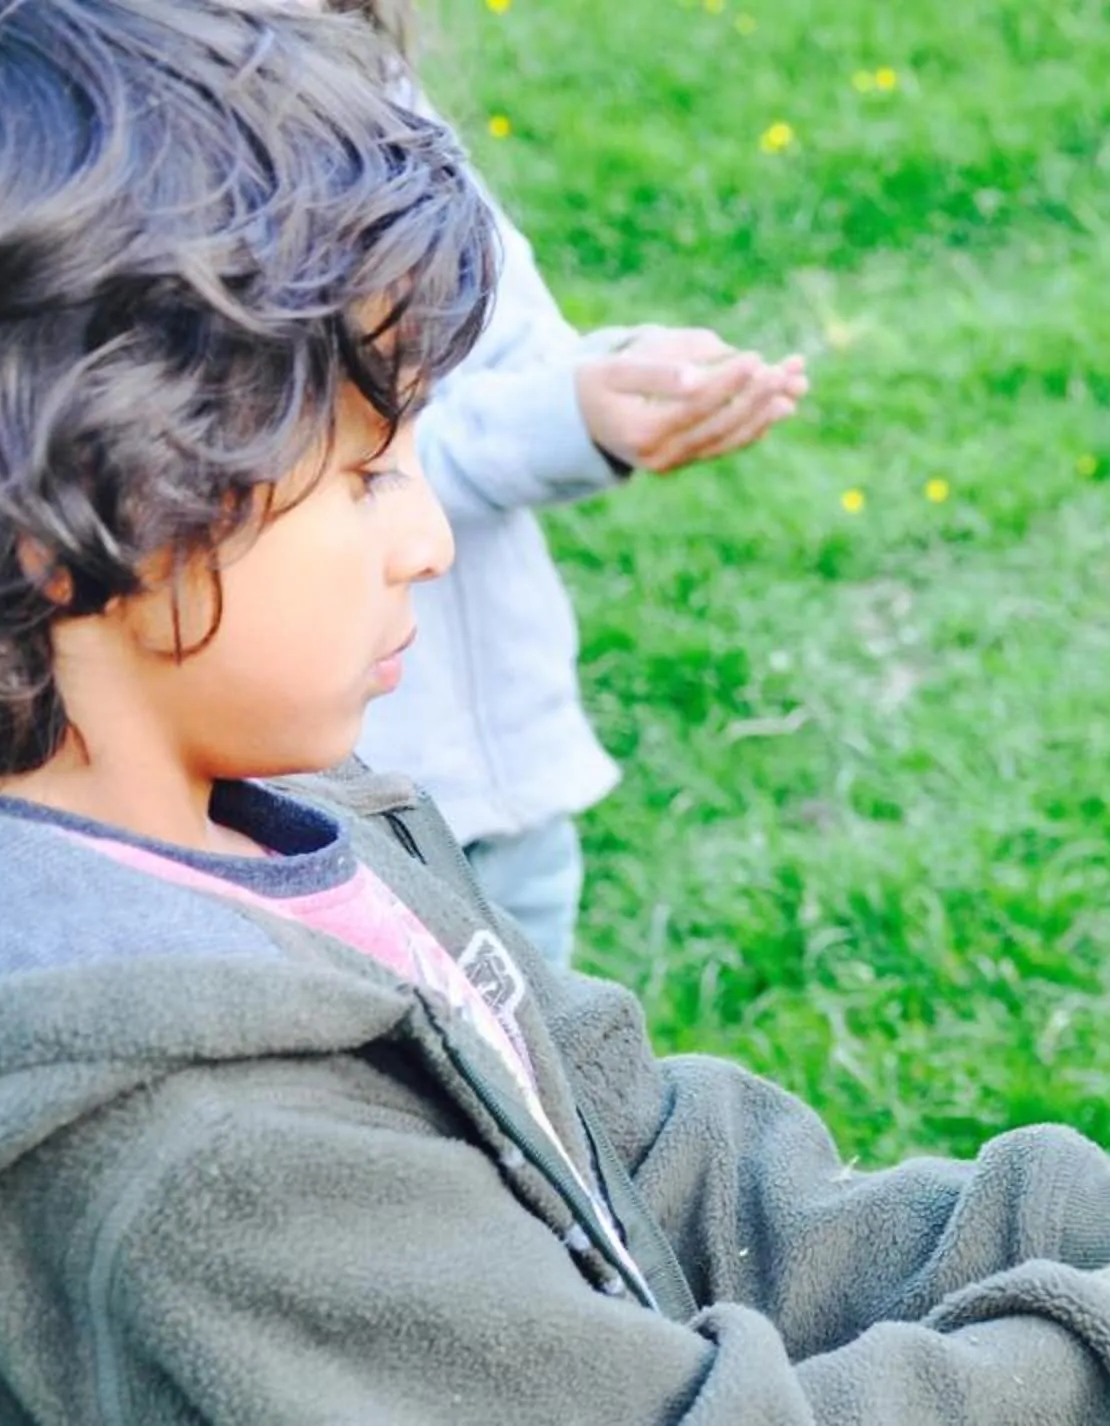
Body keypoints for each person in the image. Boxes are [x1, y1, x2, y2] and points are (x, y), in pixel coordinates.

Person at [0, 2, 1110, 1422]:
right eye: (364, 478)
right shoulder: (196, 1175)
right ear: (92, 530)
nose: (433, 539)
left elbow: (673, 1189)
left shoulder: (278, 832)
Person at [342, 0, 808, 967]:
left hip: (510, 795)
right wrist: (570, 417)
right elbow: (322, 446)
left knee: (542, 1097)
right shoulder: (148, 146)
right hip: (350, 808)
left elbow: (504, 350)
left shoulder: (381, 91)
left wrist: (621, 376)